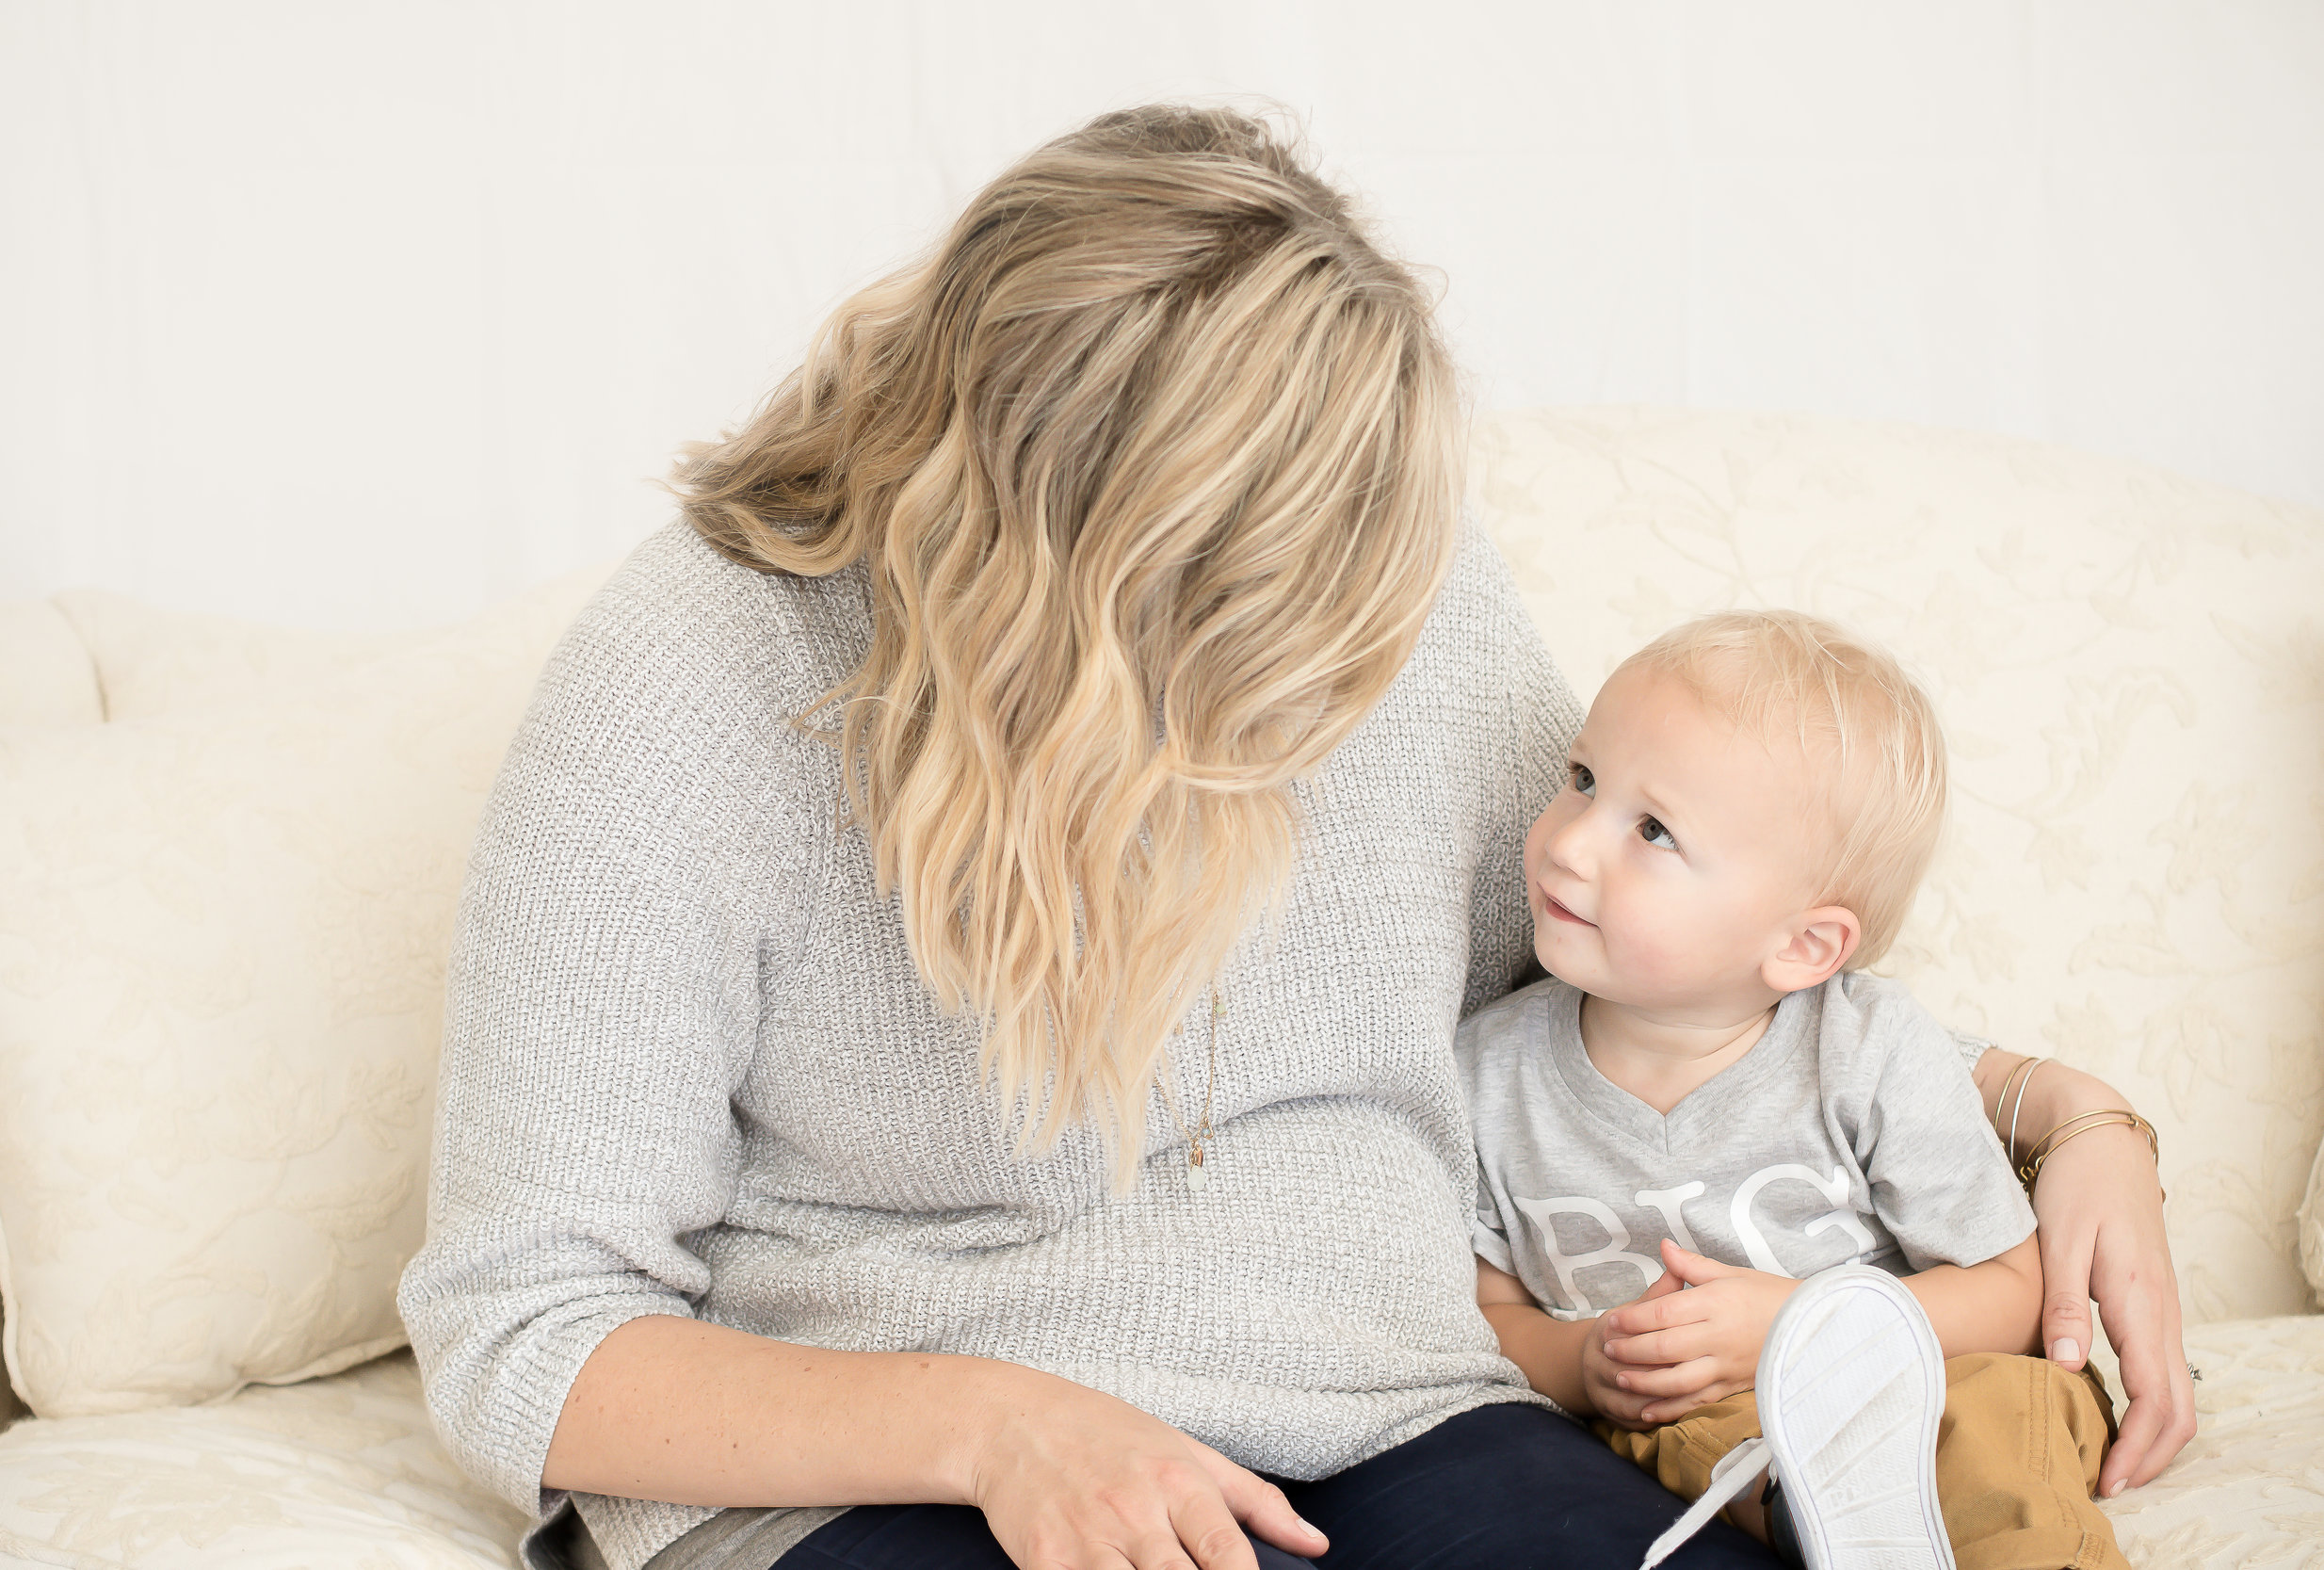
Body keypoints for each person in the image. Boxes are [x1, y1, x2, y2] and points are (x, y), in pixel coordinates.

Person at [395, 105, 2195, 1570]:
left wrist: (2061, 1109)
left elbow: (1653, 956)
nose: (1362, 653)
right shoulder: (698, 670)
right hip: (882, 1472)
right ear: (1075, 571)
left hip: (1403, 1408)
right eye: (1281, 606)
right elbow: (523, 1327)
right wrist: (994, 1423)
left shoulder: (1394, 585)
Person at [1461, 611, 2129, 1567]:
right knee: (1669, 1447)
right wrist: (1579, 1362)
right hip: (1697, 1432)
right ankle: (1834, 1524)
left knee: (2007, 1419)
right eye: (1580, 780)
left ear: (1801, 946)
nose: (1568, 843)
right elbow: (1485, 1316)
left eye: (1651, 828)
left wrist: (1798, 1324)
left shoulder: (1869, 1050)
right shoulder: (1486, 1072)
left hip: (1925, 1383)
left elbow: (2014, 1292)